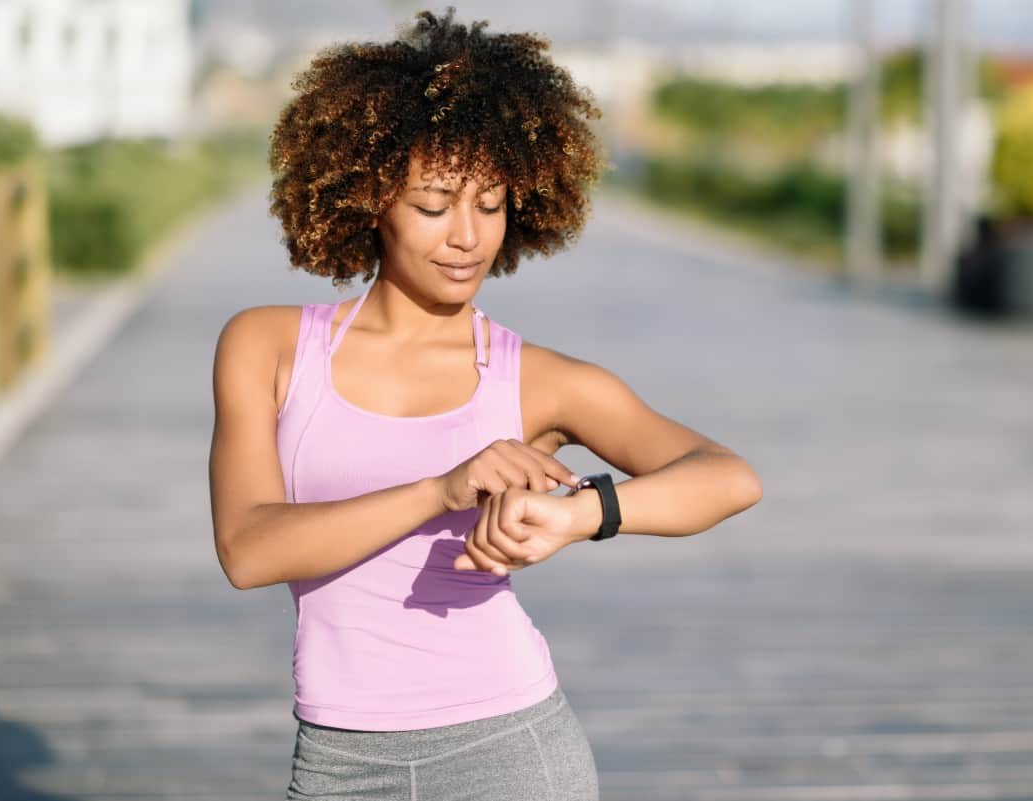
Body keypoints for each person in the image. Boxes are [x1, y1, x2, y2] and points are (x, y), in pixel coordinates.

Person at [207, 7, 763, 800]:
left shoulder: (536, 379)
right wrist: (441, 489)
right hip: (336, 760)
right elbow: (248, 548)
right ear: (370, 199)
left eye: (491, 204)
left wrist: (578, 515)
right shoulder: (267, 346)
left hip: (514, 752)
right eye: (434, 206)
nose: (467, 236)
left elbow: (728, 476)